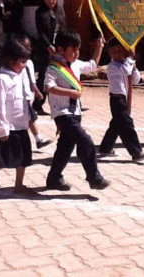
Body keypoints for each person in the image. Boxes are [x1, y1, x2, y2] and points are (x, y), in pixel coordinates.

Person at [44, 30, 110, 191]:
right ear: (61, 50)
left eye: (77, 49)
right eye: (73, 49)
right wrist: (71, 93)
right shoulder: (54, 68)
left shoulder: (76, 64)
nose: (76, 53)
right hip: (62, 113)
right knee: (85, 141)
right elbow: (48, 86)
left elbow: (93, 64)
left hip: (75, 113)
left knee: (65, 148)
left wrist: (99, 47)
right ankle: (94, 178)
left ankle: (54, 178)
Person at [0, 39, 34, 193]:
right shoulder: (1, 80)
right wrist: (3, 127)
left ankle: (19, 185)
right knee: (8, 156)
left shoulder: (18, 76)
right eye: (21, 62)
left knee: (25, 156)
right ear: (11, 61)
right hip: (10, 126)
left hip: (21, 123)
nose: (24, 65)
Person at [98, 38, 144, 161]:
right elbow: (125, 70)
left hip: (123, 99)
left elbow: (135, 80)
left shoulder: (127, 63)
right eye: (114, 52)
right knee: (127, 125)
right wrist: (130, 59)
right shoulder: (112, 66)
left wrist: (134, 67)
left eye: (120, 51)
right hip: (116, 100)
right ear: (109, 54)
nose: (117, 54)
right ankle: (136, 152)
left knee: (116, 125)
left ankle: (105, 147)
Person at [33, 0, 66, 115]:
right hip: (44, 50)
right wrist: (48, 46)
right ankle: (37, 104)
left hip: (59, 49)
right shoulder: (40, 13)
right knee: (44, 77)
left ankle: (61, 104)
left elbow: (63, 29)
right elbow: (40, 33)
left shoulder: (60, 11)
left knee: (61, 76)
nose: (51, 0)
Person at [18, 35, 52, 149]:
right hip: (18, 96)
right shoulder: (14, 63)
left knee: (28, 119)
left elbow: (32, 80)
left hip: (27, 96)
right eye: (23, 46)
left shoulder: (30, 63)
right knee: (29, 118)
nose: (26, 49)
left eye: (28, 47)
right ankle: (38, 139)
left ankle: (37, 140)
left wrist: (37, 91)